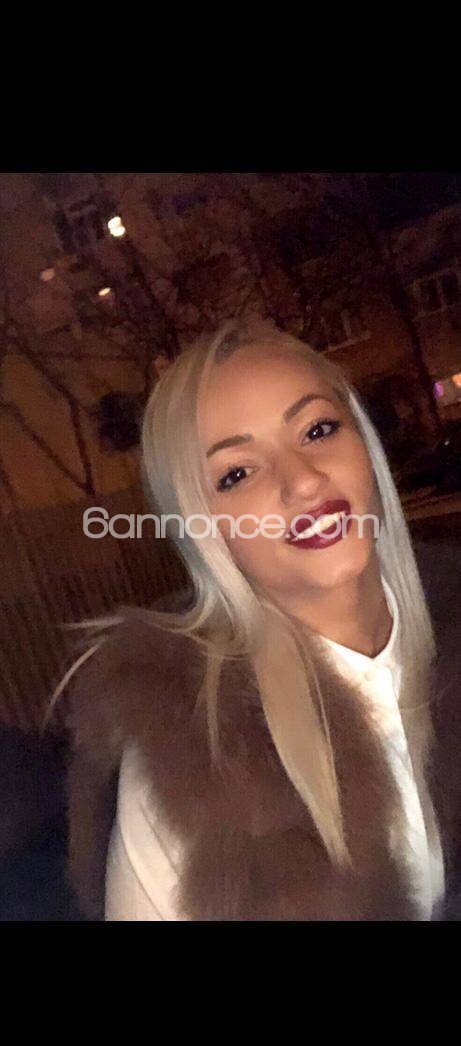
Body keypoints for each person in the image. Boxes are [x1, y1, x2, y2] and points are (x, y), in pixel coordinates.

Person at [55, 323, 461, 921]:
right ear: (204, 530)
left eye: (318, 430)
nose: (304, 481)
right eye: (237, 474)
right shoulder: (192, 763)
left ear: (365, 443)